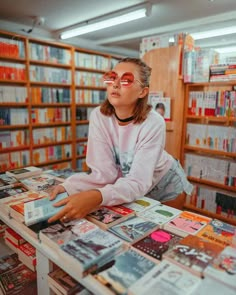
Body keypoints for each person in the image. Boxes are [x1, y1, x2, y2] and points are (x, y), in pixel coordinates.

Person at [48, 57, 193, 224]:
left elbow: (138, 181)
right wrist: (70, 187)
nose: (115, 84)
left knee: (162, 231)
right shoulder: (99, 116)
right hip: (129, 184)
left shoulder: (154, 122)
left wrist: (96, 196)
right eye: (112, 77)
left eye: (126, 80)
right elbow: (103, 173)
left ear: (142, 92)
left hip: (165, 182)